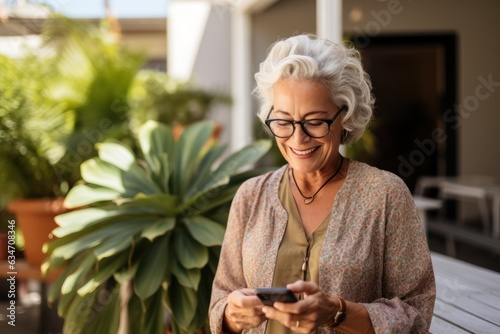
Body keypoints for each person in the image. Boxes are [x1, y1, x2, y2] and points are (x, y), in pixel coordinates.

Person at [209, 34, 435, 334]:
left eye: (315, 121)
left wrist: (338, 312)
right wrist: (231, 316)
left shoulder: (385, 195)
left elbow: (416, 312)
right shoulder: (251, 196)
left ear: (346, 116)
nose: (297, 138)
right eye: (283, 121)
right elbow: (221, 299)